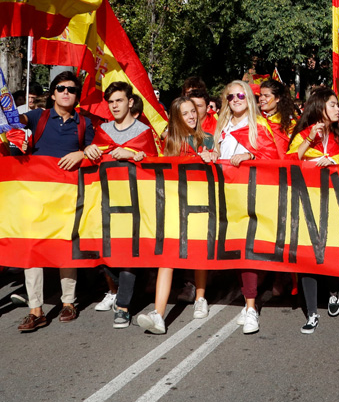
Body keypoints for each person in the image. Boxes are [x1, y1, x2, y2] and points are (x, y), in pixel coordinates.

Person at [13, 72, 94, 333]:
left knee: (66, 248)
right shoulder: (39, 117)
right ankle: (35, 310)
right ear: (52, 93)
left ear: (76, 95)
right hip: (36, 197)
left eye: (71, 89)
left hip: (68, 196)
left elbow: (95, 153)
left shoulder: (85, 123)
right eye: (60, 88)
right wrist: (5, 102)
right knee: (31, 249)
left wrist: (80, 153)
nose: (66, 92)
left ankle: (68, 302)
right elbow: (14, 121)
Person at [135, 97, 214, 334]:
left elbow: (216, 166)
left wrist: (211, 156)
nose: (191, 116)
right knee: (166, 259)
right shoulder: (167, 141)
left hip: (199, 205)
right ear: (176, 117)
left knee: (198, 253)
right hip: (172, 205)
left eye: (193, 111)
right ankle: (158, 315)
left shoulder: (207, 139)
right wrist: (139, 157)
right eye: (185, 113)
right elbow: (153, 163)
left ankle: (201, 298)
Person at [83, 82, 158, 329]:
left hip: (135, 204)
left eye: (119, 100)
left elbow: (155, 163)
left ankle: (123, 307)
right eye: (111, 101)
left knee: (128, 252)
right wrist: (89, 149)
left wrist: (136, 156)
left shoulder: (143, 132)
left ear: (130, 102)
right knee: (105, 253)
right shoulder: (102, 129)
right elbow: (93, 158)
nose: (115, 105)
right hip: (106, 202)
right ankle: (139, 277)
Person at [214, 80, 283, 335]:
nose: (235, 99)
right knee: (238, 252)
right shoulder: (221, 126)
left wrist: (251, 156)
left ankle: (251, 307)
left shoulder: (260, 124)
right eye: (230, 96)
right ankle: (250, 298)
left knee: (248, 250)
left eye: (240, 94)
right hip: (228, 196)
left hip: (254, 195)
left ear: (249, 97)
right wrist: (210, 154)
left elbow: (275, 157)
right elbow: (217, 153)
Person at [287, 87, 339, 334]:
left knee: (330, 250)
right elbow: (287, 161)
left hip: (336, 202)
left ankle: (333, 289)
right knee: (308, 254)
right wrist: (309, 140)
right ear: (319, 107)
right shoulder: (303, 132)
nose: (338, 109)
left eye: (337, 105)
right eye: (333, 104)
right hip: (307, 201)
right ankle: (312, 313)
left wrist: (335, 162)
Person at [258, 79, 295, 155]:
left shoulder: (290, 123)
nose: (261, 98)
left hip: (282, 165)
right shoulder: (255, 120)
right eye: (261, 95)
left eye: (266, 96)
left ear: (277, 98)